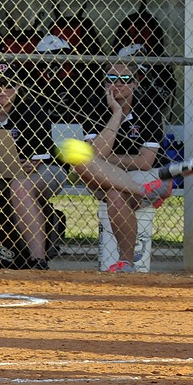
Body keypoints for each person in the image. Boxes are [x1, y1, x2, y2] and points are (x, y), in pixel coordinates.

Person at [74, 61, 171, 273]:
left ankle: (126, 262)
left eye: (124, 79)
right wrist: (116, 113)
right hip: (116, 178)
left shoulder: (149, 107)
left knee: (115, 192)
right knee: (82, 164)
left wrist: (107, 162)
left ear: (136, 83)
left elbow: (145, 162)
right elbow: (96, 156)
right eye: (110, 79)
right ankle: (126, 264)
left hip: (152, 176)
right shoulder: (93, 106)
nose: (116, 84)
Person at [0, 61, 69, 269]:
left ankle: (38, 260)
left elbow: (33, 163)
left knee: (20, 187)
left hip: (46, 170)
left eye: (9, 85)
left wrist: (11, 165)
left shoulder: (32, 110)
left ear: (18, 86)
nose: (3, 91)